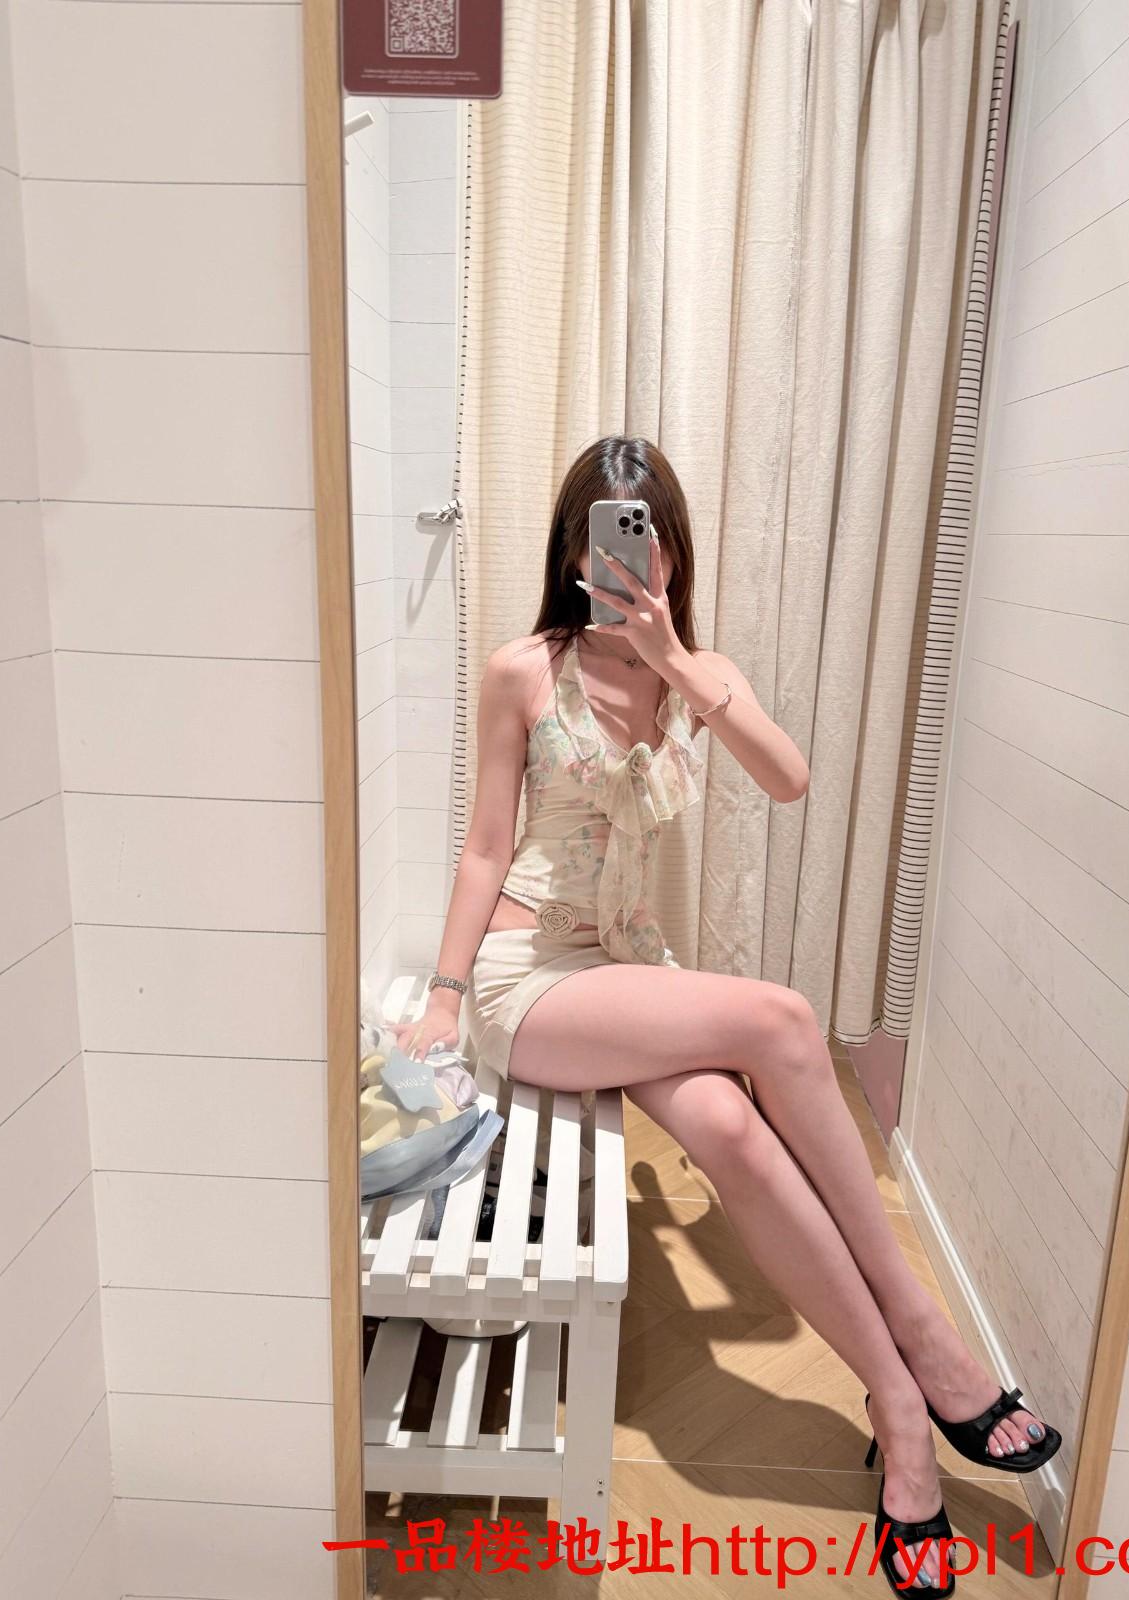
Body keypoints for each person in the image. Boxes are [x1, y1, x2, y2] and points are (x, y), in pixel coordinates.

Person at [392, 435, 1060, 1596]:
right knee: (786, 1021)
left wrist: (675, 661)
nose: (626, 564)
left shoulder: (698, 674)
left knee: (733, 1128)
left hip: (627, 968)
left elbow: (790, 778)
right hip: (530, 976)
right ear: (572, 553)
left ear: (672, 555)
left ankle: (900, 1408)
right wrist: (446, 995)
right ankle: (930, 1345)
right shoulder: (523, 670)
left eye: (646, 542)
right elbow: (487, 848)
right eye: (605, 541)